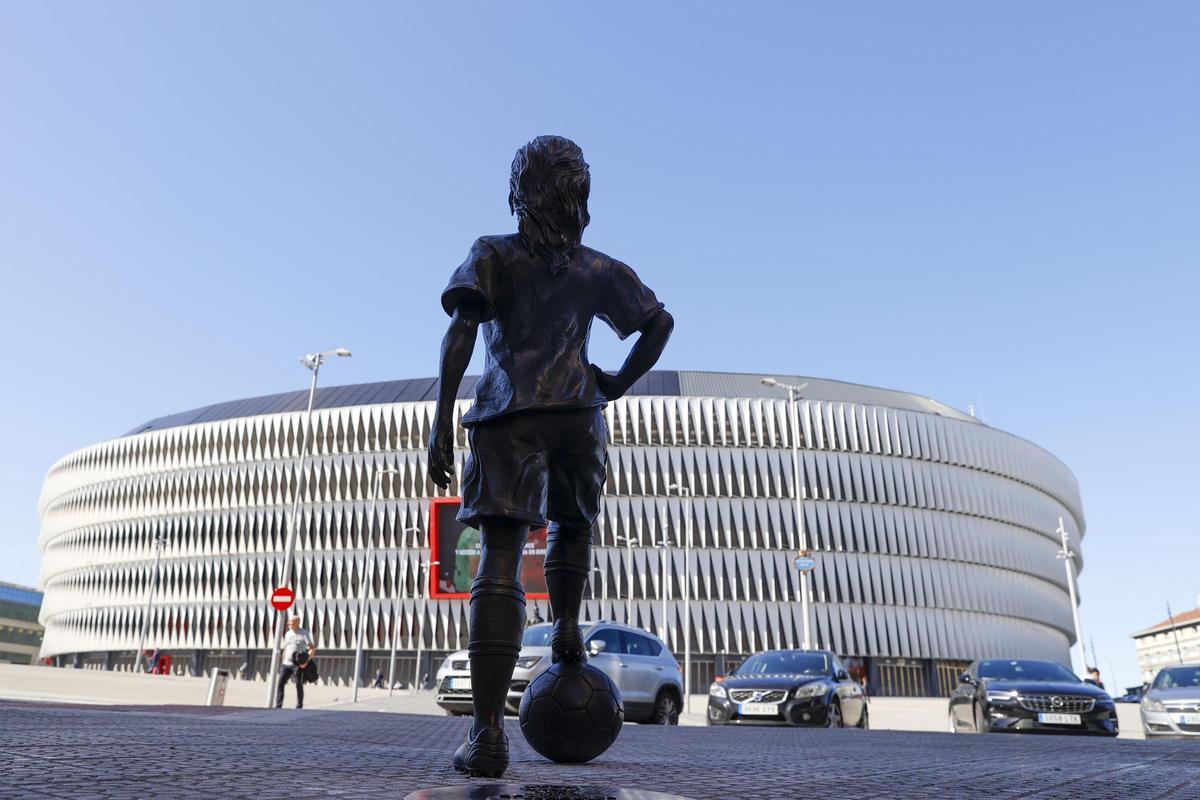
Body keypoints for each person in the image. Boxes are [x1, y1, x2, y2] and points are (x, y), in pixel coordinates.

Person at [429, 135, 673, 778]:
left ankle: (486, 733)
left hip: (510, 418)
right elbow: (659, 324)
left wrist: (441, 425)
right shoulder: (597, 268)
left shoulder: (494, 255)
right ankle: (566, 625)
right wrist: (613, 385)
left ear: (520, 192)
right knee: (573, 527)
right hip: (579, 419)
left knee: (500, 561)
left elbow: (459, 334)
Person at [275, 615, 316, 709]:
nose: (289, 624)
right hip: (286, 664)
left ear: (297, 623)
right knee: (280, 684)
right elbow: (285, 648)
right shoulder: (288, 634)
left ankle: (299, 705)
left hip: (297, 665)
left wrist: (306, 661)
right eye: (289, 622)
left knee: (298, 684)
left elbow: (312, 648)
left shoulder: (304, 633)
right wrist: (283, 660)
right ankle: (278, 705)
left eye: (291, 622)